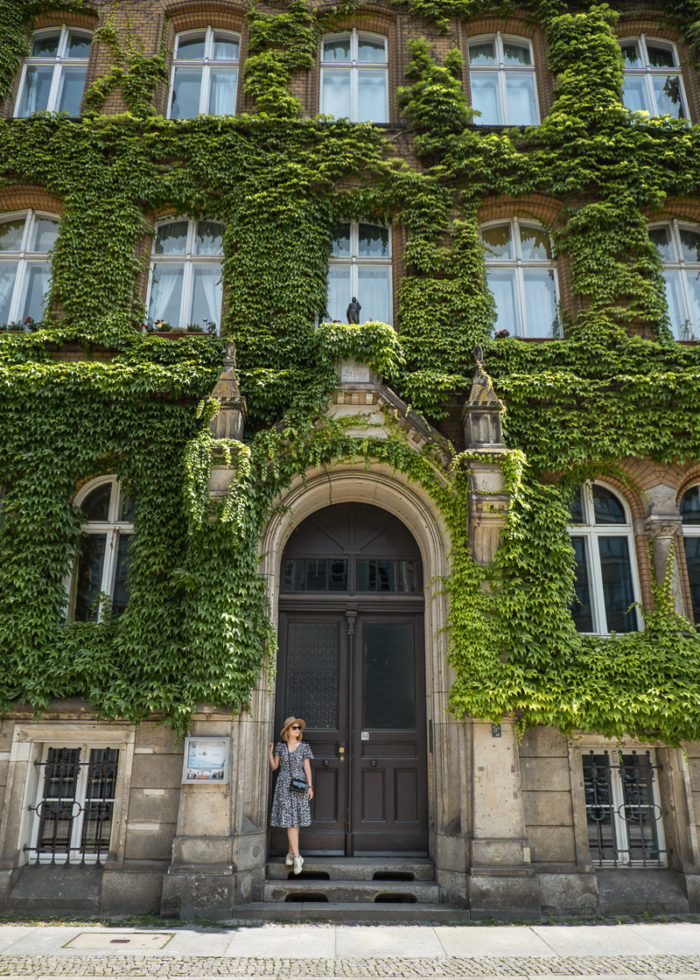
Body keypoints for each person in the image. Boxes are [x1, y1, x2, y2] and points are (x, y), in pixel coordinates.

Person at [269, 716, 314, 874]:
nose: (297, 730)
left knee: (295, 821)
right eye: (294, 728)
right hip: (283, 785)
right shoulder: (281, 747)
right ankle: (296, 856)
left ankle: (293, 855)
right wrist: (269, 752)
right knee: (290, 822)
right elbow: (274, 766)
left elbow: (307, 767)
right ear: (287, 730)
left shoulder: (304, 747)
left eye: (298, 728)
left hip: (299, 785)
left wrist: (310, 786)